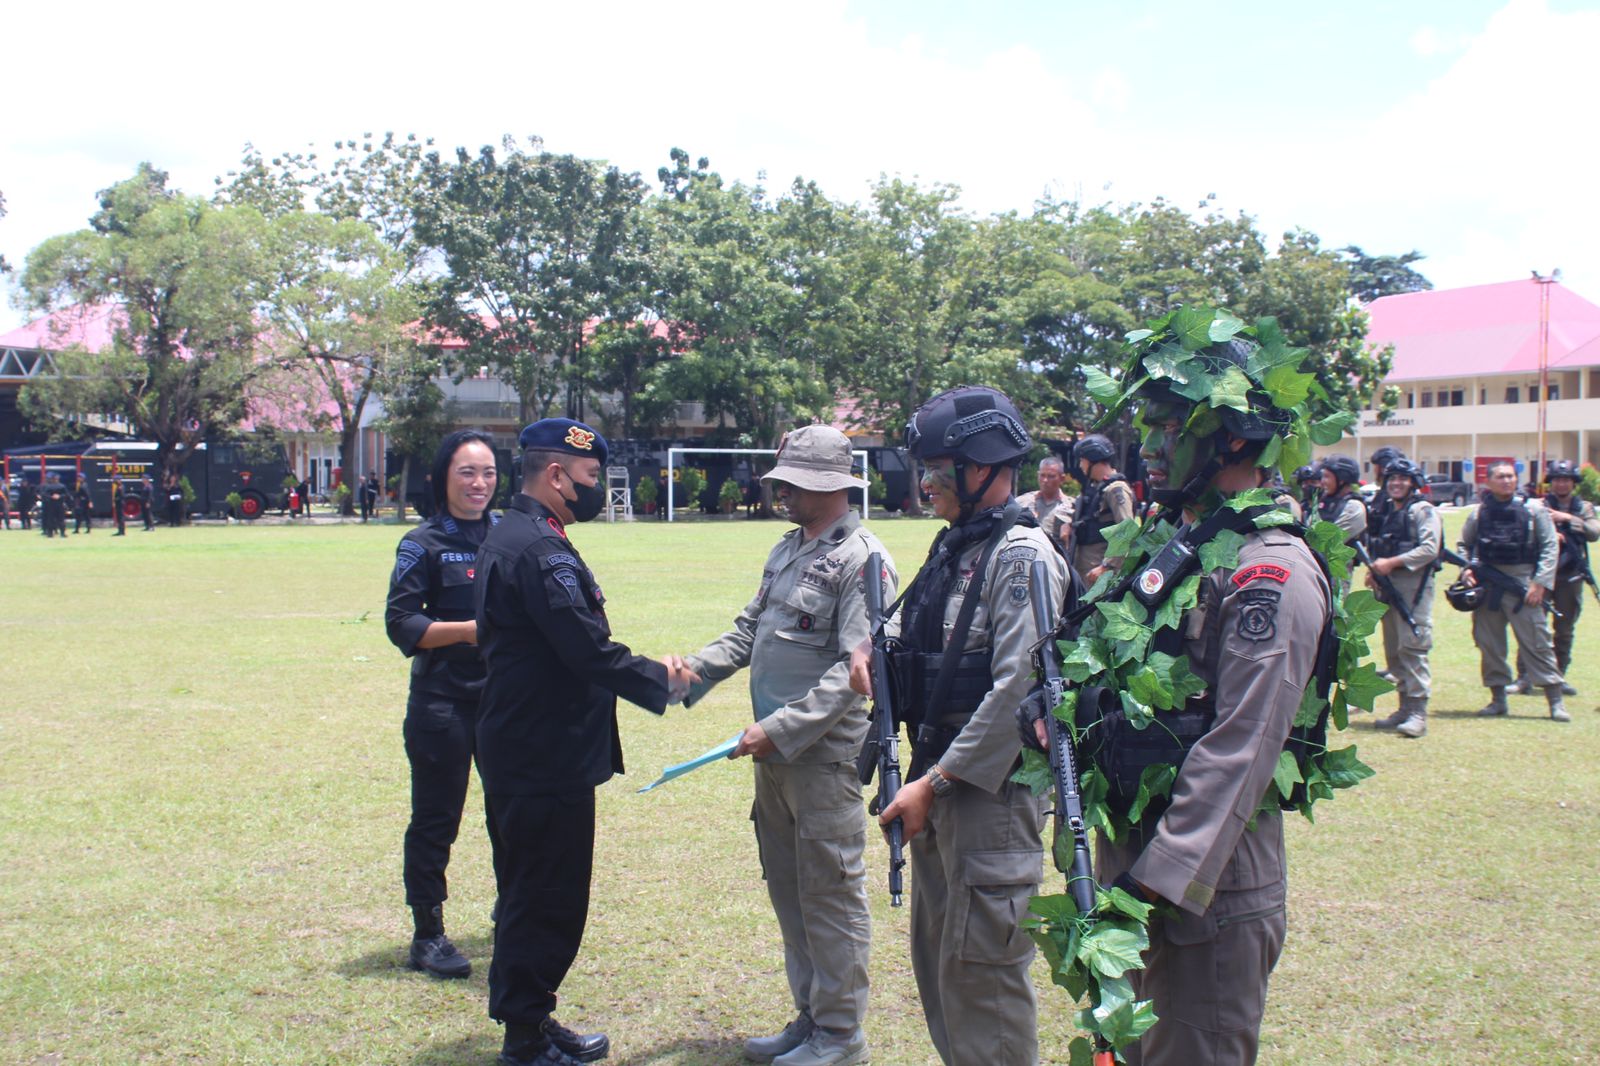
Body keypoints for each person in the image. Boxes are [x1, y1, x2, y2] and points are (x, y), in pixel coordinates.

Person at [1044, 311, 1333, 1064]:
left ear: (1234, 438)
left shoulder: (1269, 569)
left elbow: (1243, 745)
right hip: (1129, 866)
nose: (1154, 444)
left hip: (1206, 890)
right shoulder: (1175, 548)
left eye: (1174, 426)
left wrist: (1151, 888)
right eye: (1151, 426)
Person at [848, 386, 1069, 1066]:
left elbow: (1019, 691)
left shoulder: (1021, 555)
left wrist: (934, 784)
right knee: (944, 971)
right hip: (938, 784)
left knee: (984, 983)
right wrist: (871, 656)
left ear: (983, 466)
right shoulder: (955, 550)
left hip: (986, 796)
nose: (925, 481)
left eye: (939, 465)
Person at [474, 417, 697, 1066]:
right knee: (545, 898)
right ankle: (525, 1037)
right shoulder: (538, 549)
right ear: (555, 475)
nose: (595, 488)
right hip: (543, 756)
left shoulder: (514, 535)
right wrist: (664, 679)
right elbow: (586, 650)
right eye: (590, 477)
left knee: (528, 889)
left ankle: (533, 1020)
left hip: (525, 745)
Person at [675, 426, 894, 1066]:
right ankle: (811, 1017)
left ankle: (840, 1035)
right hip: (770, 756)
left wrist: (779, 729)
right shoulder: (788, 548)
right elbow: (751, 631)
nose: (780, 491)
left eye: (790, 483)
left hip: (819, 757)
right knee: (791, 893)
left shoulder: (864, 559)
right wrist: (693, 671)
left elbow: (853, 674)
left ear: (825, 487)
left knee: (830, 894)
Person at [385, 431, 503, 980]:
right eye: (467, 472)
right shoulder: (423, 542)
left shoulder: (513, 534)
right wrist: (469, 632)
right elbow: (401, 622)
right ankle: (427, 934)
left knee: (514, 815)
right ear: (442, 478)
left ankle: (514, 913)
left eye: (488, 472)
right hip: (443, 704)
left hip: (506, 703)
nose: (480, 483)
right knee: (437, 820)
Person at [1461, 461, 1568, 722]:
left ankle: (1555, 701)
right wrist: (1466, 570)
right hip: (1488, 585)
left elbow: (1549, 547)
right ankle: (1498, 699)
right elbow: (1464, 545)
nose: (1506, 480)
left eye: (1510, 476)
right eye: (1500, 476)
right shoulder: (1478, 512)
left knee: (1538, 642)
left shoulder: (1533, 510)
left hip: (1524, 582)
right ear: (1488, 481)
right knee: (1490, 644)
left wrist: (1540, 583)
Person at [1367, 458, 1442, 738]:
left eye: (1402, 478)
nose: (1396, 484)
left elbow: (1429, 549)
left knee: (1413, 646)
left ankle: (1418, 713)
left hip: (1414, 588)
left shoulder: (1422, 511)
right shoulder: (1388, 510)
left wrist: (1392, 562)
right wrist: (1376, 569)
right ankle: (1403, 707)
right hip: (1388, 588)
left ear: (1413, 482)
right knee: (1395, 649)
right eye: (1391, 479)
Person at [1065, 434, 1136, 585]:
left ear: (1092, 459)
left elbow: (1127, 529)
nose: (1080, 466)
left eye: (1082, 460)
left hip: (1099, 572)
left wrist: (1107, 566)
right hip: (1085, 569)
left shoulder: (1116, 489)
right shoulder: (1097, 488)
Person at [1015, 454, 1073, 547]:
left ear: (1062, 479)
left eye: (1051, 476)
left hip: (1055, 557)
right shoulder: (1022, 502)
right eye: (1042, 475)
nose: (1045, 480)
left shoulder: (1070, 507)